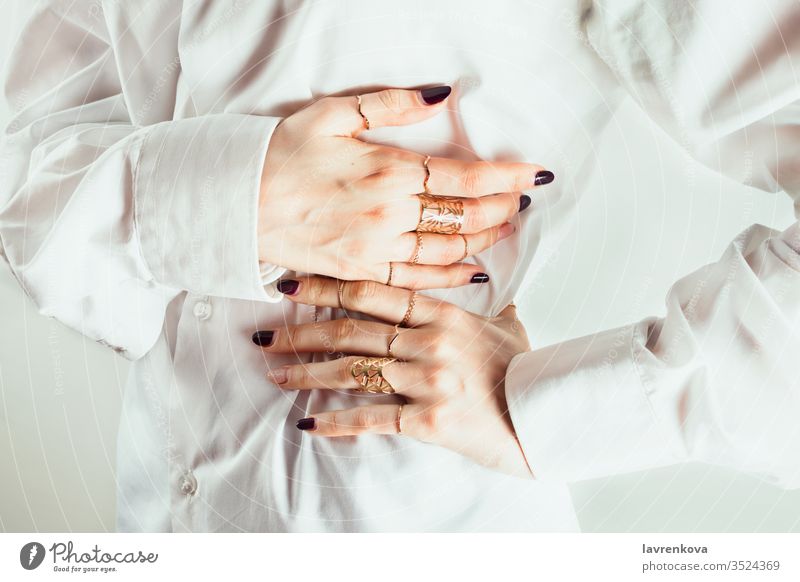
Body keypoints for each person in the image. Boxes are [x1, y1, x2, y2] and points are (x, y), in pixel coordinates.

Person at [1, 0, 798, 533]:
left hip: (419, 520)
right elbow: (28, 154)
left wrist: (554, 409)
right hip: (161, 514)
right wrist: (223, 197)